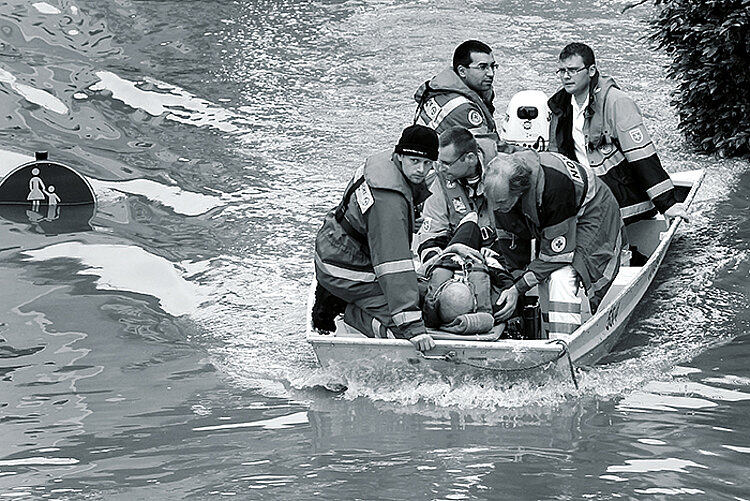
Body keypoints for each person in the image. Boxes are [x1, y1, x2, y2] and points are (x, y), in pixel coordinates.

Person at [312, 125, 438, 352]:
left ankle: (337, 296)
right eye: (415, 161)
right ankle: (346, 311)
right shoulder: (389, 202)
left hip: (335, 245)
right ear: (400, 156)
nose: (421, 170)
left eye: (428, 164)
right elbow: (393, 267)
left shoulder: (381, 163)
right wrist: (413, 328)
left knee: (416, 294)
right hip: (344, 265)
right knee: (401, 329)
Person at [485, 149, 625, 339]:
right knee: (540, 274)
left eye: (500, 202)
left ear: (519, 190)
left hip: (593, 211)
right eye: (491, 202)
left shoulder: (555, 187)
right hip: (557, 214)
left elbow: (557, 257)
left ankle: (564, 342)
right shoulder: (502, 194)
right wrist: (515, 284)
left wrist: (518, 289)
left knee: (562, 276)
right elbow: (512, 243)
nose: (495, 209)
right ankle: (546, 334)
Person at [548, 42, 689, 226]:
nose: (566, 76)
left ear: (591, 71)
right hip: (584, 194)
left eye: (573, 70)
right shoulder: (561, 106)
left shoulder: (617, 103)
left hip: (623, 199)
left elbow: (642, 155)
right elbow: (556, 156)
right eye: (561, 71)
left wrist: (667, 204)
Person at [415, 126, 531, 276]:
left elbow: (522, 228)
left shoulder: (506, 172)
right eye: (438, 162)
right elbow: (431, 234)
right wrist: (436, 262)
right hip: (458, 255)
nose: (440, 169)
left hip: (502, 254)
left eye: (446, 163)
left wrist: (492, 257)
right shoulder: (440, 181)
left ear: (470, 158)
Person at [414, 40, 499, 139]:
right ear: (462, 71)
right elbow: (487, 150)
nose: (491, 73)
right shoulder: (461, 108)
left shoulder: (443, 86)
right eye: (482, 67)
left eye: (493, 66)